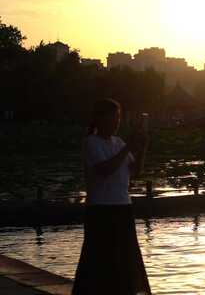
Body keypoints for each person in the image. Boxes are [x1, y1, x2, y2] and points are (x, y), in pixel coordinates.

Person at [72, 98, 151, 295]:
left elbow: (135, 171)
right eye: (113, 117)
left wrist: (141, 149)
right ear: (99, 119)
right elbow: (105, 169)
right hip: (101, 209)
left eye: (118, 118)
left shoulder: (119, 142)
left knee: (124, 259)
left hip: (123, 207)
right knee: (99, 259)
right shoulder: (91, 143)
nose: (117, 122)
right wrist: (128, 147)